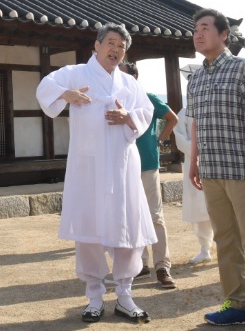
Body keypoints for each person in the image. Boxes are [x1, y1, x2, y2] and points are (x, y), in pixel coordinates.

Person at [36, 23, 156, 323]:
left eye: (121, 47)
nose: (116, 50)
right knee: (89, 225)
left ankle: (125, 294)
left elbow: (146, 111)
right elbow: (44, 87)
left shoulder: (129, 83)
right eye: (111, 43)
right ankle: (93, 296)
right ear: (97, 45)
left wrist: (128, 116)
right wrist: (67, 95)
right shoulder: (75, 73)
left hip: (122, 164)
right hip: (87, 164)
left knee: (125, 224)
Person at [186, 9, 245, 331]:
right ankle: (237, 302)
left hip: (242, 168)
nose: (198, 34)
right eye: (195, 29)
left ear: (224, 35)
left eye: (205, 28)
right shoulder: (195, 77)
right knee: (225, 240)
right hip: (211, 169)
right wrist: (194, 160)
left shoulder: (243, 69)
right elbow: (196, 122)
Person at [120, 61, 179, 289]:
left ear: (134, 77)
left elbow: (172, 117)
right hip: (124, 165)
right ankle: (140, 264)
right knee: (132, 215)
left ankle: (162, 265)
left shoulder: (149, 97)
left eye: (124, 75)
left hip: (147, 163)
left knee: (154, 215)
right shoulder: (118, 100)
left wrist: (160, 139)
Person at [173, 63, 214, 265]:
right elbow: (179, 138)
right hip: (193, 163)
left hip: (215, 162)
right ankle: (205, 248)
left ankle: (228, 246)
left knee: (221, 205)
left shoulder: (214, 108)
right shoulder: (184, 112)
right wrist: (196, 149)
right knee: (199, 207)